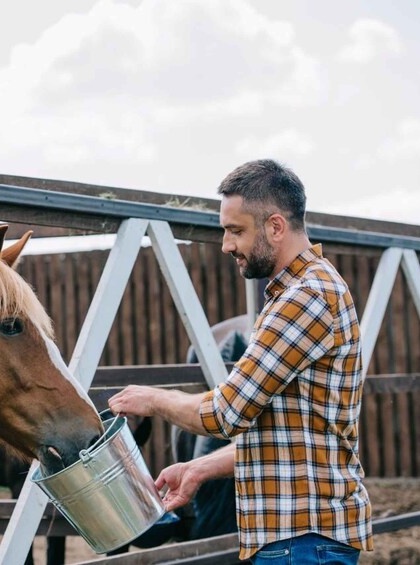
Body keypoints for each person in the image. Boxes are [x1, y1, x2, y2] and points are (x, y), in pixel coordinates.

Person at [108, 159, 372, 563]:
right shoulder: (300, 293)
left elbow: (226, 413)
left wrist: (154, 399)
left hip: (300, 543)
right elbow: (287, 436)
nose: (226, 244)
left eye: (236, 231)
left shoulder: (305, 298)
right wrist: (200, 468)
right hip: (300, 539)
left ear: (276, 227)